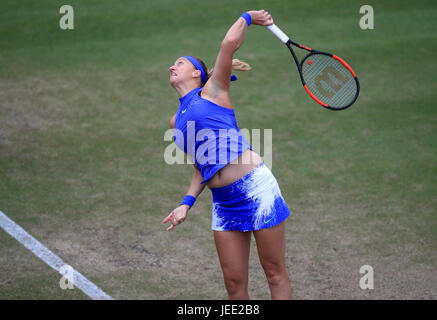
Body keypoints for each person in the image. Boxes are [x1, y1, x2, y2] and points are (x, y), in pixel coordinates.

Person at [163, 10, 292, 300]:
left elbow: (228, 44)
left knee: (274, 272)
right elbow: (202, 167)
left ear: (197, 73)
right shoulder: (176, 122)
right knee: (234, 286)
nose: (173, 66)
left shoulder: (213, 90)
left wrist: (247, 17)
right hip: (224, 203)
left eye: (180, 63)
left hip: (257, 189)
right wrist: (186, 203)